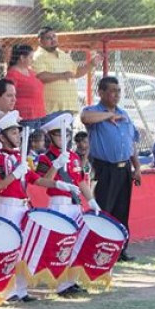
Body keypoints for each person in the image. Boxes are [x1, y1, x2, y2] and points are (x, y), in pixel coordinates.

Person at [34, 112, 98, 297]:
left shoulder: (73, 156)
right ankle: (61, 284)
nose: (64, 138)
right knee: (60, 244)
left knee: (75, 243)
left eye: (67, 134)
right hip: (59, 203)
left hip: (74, 203)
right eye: (58, 134)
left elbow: (81, 181)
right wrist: (55, 164)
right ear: (50, 137)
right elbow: (43, 181)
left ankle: (70, 281)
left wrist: (91, 201)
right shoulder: (45, 158)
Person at [80, 75, 140, 261]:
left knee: (122, 210)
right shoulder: (94, 111)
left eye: (118, 91)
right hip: (104, 168)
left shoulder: (125, 114)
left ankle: (120, 250)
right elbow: (85, 118)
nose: (116, 95)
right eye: (112, 91)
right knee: (104, 209)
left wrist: (136, 167)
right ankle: (99, 249)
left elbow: (130, 143)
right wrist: (108, 115)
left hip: (124, 170)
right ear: (101, 92)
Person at [0, 111, 41, 303]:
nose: (17, 136)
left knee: (23, 249)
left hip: (22, 206)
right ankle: (7, 291)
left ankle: (21, 289)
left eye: (18, 132)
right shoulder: (1, 158)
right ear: (2, 137)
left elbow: (37, 180)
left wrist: (60, 182)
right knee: (9, 249)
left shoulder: (19, 158)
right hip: (8, 207)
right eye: (13, 133)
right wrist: (16, 175)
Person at [32, 27, 98, 116]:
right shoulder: (38, 56)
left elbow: (75, 73)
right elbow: (40, 77)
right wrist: (63, 75)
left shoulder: (63, 55)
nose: (53, 39)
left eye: (54, 36)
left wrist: (91, 64)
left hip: (69, 107)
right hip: (50, 109)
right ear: (40, 41)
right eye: (49, 38)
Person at [6, 43, 45, 124]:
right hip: (24, 115)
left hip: (38, 114)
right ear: (22, 58)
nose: (32, 60)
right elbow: (8, 94)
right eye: (30, 57)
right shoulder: (13, 74)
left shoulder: (31, 72)